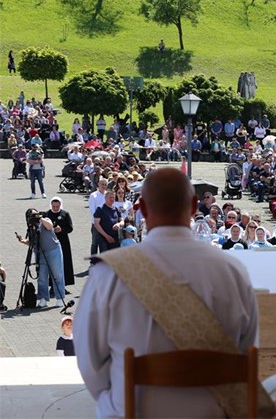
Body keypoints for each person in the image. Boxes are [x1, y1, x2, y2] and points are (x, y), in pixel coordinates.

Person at [75, 168, 262, 418]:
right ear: (194, 206)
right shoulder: (232, 271)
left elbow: (90, 365)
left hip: (133, 412)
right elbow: (246, 352)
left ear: (140, 208)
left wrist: (115, 399)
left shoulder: (106, 276)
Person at [16, 208, 66, 308]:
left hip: (53, 250)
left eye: (35, 214)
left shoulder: (45, 220)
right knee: (42, 277)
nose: (34, 217)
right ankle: (43, 298)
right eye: (31, 216)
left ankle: (59, 298)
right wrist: (22, 240)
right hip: (40, 253)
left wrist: (40, 218)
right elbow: (32, 243)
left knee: (57, 274)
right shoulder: (31, 228)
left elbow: (50, 226)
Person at [46, 197, 75, 288]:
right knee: (52, 263)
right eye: (53, 206)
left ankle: (63, 285)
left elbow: (70, 228)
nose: (55, 208)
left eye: (57, 206)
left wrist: (61, 229)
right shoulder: (47, 214)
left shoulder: (65, 214)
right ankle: (51, 285)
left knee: (64, 262)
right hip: (51, 241)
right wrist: (52, 230)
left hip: (63, 241)